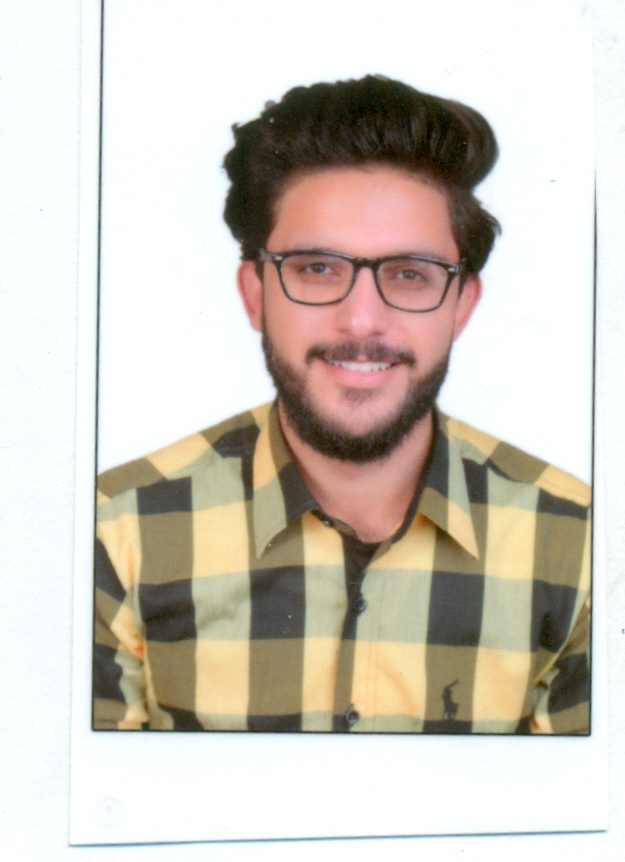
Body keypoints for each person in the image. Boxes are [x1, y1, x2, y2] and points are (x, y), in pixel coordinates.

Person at [94, 75, 591, 735]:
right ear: (255, 294)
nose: (362, 321)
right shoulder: (112, 532)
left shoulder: (584, 547)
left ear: (461, 307)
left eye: (409, 274)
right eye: (317, 268)